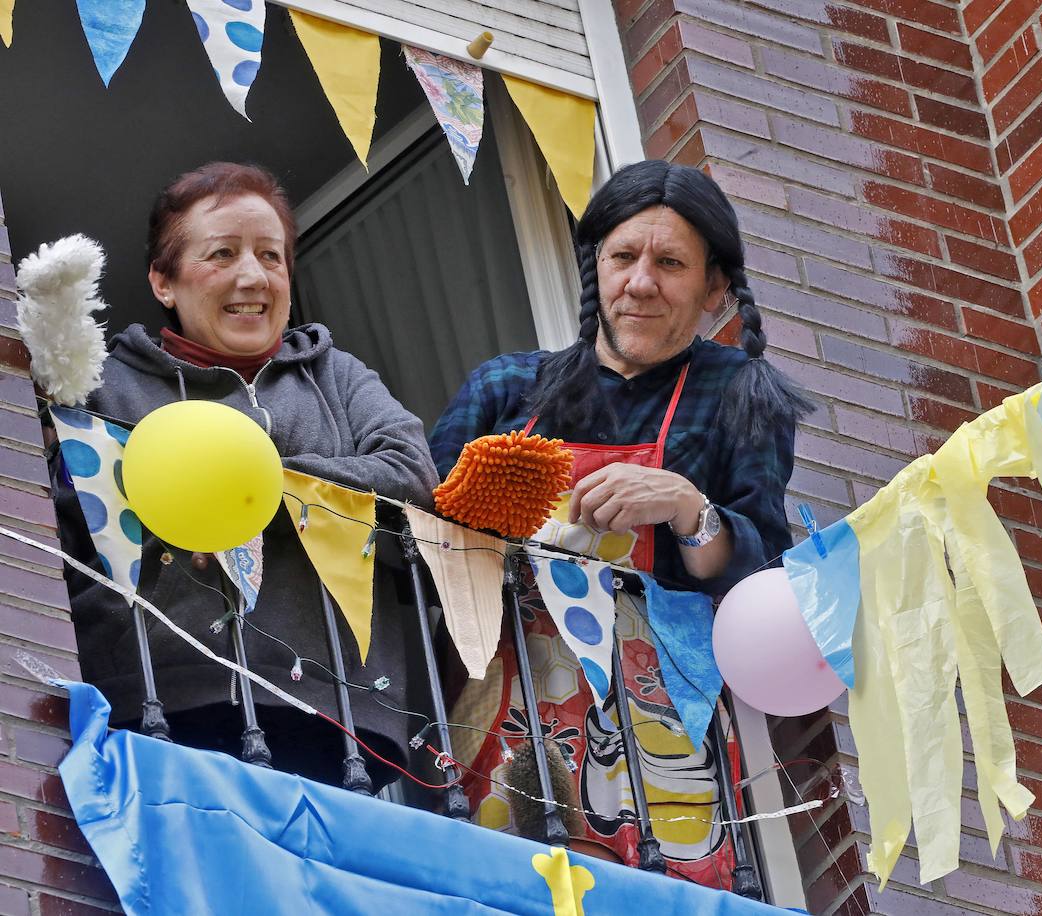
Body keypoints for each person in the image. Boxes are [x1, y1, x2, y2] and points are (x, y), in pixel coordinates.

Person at [430, 160, 809, 883]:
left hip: (657, 716)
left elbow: (759, 571)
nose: (641, 282)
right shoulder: (506, 387)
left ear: (715, 289)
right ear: (595, 266)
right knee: (503, 886)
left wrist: (687, 508)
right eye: (623, 257)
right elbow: (422, 533)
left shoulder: (738, 393)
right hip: (509, 695)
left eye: (670, 263)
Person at [51, 162, 439, 789]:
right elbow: (68, 539)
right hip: (160, 702)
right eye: (222, 254)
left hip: (335, 708)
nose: (253, 276)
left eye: (271, 256)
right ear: (163, 282)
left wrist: (248, 492)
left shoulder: (336, 374)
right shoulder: (102, 389)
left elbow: (412, 475)